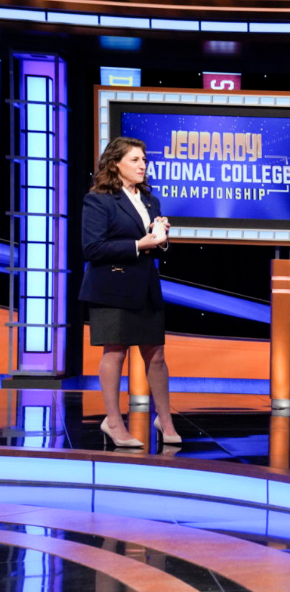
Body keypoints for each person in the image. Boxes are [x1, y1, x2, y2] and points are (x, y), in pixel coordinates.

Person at [80, 136, 182, 447]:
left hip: (145, 285)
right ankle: (113, 422)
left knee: (156, 355)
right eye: (135, 160)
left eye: (144, 160)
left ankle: (165, 420)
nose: (142, 165)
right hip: (111, 287)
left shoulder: (150, 200)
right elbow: (92, 248)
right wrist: (140, 244)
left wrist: (161, 237)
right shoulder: (99, 199)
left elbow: (156, 247)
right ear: (115, 164)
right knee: (115, 351)